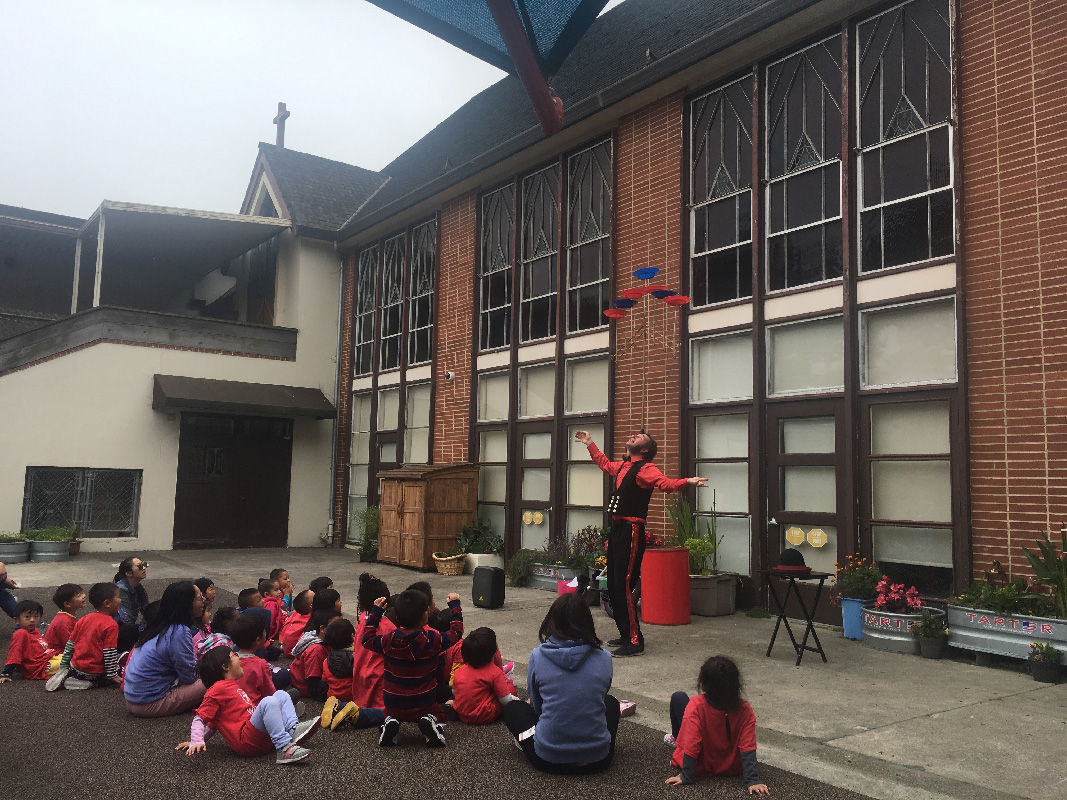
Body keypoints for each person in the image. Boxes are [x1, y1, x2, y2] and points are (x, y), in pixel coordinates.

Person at [574, 429, 707, 657]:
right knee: (614, 585)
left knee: (624, 584)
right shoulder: (623, 466)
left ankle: (635, 641)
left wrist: (688, 481)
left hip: (631, 530)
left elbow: (664, 484)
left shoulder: (646, 468)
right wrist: (589, 442)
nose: (635, 435)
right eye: (635, 434)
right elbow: (604, 463)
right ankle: (626, 634)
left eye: (640, 437)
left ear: (644, 450)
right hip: (617, 529)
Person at [501, 592, 620, 775]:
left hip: (547, 758)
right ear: (588, 621)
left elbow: (538, 706)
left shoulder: (538, 656)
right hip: (598, 759)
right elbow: (601, 695)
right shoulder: (604, 657)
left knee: (513, 709)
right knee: (611, 703)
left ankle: (532, 739)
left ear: (552, 621)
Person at [176, 645, 319, 765]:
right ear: (225, 666)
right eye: (234, 655)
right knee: (268, 702)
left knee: (280, 695)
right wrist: (196, 740)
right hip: (248, 742)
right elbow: (200, 718)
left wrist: (201, 739)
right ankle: (284, 748)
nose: (238, 657)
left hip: (258, 736)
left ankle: (292, 730)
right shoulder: (216, 690)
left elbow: (213, 724)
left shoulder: (231, 685)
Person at [362, 588, 463, 747]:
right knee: (441, 713)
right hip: (424, 703)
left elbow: (367, 640)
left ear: (396, 618)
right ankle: (429, 721)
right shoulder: (433, 640)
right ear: (425, 615)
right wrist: (455, 606)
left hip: (393, 703)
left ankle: (391, 722)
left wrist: (375, 613)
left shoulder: (388, 641)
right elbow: (456, 633)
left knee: (391, 713)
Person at [664, 655, 769, 795]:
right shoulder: (745, 710)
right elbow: (747, 747)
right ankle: (676, 738)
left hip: (701, 767)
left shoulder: (696, 705)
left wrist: (687, 776)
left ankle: (675, 738)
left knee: (678, 697)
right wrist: (752, 780)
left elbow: (691, 743)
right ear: (736, 685)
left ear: (702, 684)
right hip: (732, 768)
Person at [122, 580, 206, 717]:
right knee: (215, 681)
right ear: (186, 605)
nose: (203, 601)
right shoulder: (179, 631)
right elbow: (188, 676)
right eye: (199, 598)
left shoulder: (159, 624)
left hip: (132, 698)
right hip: (149, 703)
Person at [47, 582, 122, 691]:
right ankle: (92, 683)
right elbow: (109, 652)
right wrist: (113, 675)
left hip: (75, 668)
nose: (120, 600)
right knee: (124, 670)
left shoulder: (85, 618)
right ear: (107, 603)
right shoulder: (111, 625)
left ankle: (70, 676)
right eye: (118, 597)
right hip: (92, 672)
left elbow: (70, 644)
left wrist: (63, 666)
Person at [349, 573, 392, 730]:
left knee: (363, 705)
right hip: (379, 683)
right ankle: (355, 716)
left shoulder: (361, 619)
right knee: (387, 714)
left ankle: (343, 708)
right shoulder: (387, 626)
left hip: (360, 678)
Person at [451, 627, 517, 724]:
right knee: (511, 689)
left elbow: (454, 691)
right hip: (484, 715)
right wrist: (520, 703)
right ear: (494, 651)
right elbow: (505, 700)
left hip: (462, 713)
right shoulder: (494, 672)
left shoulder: (460, 670)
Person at [230, 614, 291, 703]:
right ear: (258, 640)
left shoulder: (230, 658)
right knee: (287, 695)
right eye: (264, 631)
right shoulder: (260, 664)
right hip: (255, 709)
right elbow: (270, 693)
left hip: (236, 705)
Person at [1, 599, 61, 682]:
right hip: (39, 667)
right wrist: (6, 673)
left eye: (36, 616)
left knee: (71, 657)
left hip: (47, 658)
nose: (32, 620)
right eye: (27, 617)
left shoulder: (33, 630)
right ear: (17, 620)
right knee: (69, 663)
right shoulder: (20, 633)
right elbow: (14, 653)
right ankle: (68, 679)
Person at [290, 608, 340, 700]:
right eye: (335, 626)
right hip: (304, 687)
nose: (340, 629)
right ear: (322, 629)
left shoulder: (319, 637)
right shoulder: (316, 650)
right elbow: (313, 682)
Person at [318, 617, 359, 729]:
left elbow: (324, 681)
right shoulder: (357, 658)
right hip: (354, 697)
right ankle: (347, 711)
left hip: (333, 697)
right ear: (352, 636)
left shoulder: (326, 661)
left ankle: (336, 708)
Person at [113, 556, 150, 652]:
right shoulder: (121, 589)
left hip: (131, 628)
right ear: (128, 573)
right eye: (140, 566)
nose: (144, 568)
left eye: (144, 565)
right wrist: (142, 630)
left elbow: (147, 611)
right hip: (120, 631)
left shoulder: (138, 587)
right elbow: (126, 620)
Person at [44, 583, 86, 650]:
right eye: (79, 595)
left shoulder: (66, 616)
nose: (84, 596)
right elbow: (69, 645)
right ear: (67, 604)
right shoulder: (64, 620)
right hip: (56, 654)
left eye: (82, 593)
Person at [280, 590, 313, 655]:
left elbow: (286, 625)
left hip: (285, 647)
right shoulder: (311, 619)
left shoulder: (296, 613)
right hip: (294, 651)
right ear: (311, 606)